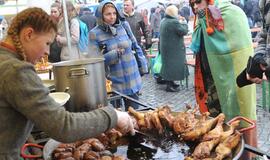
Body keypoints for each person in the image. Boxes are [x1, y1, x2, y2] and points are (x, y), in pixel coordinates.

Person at [0, 7, 134, 159]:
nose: (47, 52)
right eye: (47, 43)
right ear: (29, 34)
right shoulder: (16, 70)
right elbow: (63, 126)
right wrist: (113, 115)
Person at [189, 0, 257, 158]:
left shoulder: (232, 13)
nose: (194, 7)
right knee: (216, 127)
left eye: (198, 2)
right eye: (191, 3)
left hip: (233, 82)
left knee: (238, 121)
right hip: (210, 82)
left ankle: (244, 155)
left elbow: (241, 54)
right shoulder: (201, 19)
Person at [88, 1, 148, 110]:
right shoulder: (94, 33)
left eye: (114, 13)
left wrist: (143, 65)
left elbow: (135, 45)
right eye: (108, 14)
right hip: (113, 82)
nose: (112, 17)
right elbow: (93, 61)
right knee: (118, 119)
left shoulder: (124, 26)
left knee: (134, 114)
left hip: (131, 77)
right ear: (101, 16)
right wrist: (112, 55)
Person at [159, 5, 189, 92]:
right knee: (173, 66)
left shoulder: (164, 20)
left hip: (167, 48)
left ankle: (171, 82)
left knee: (168, 66)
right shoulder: (173, 22)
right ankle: (169, 85)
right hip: (173, 49)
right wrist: (183, 22)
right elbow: (183, 31)